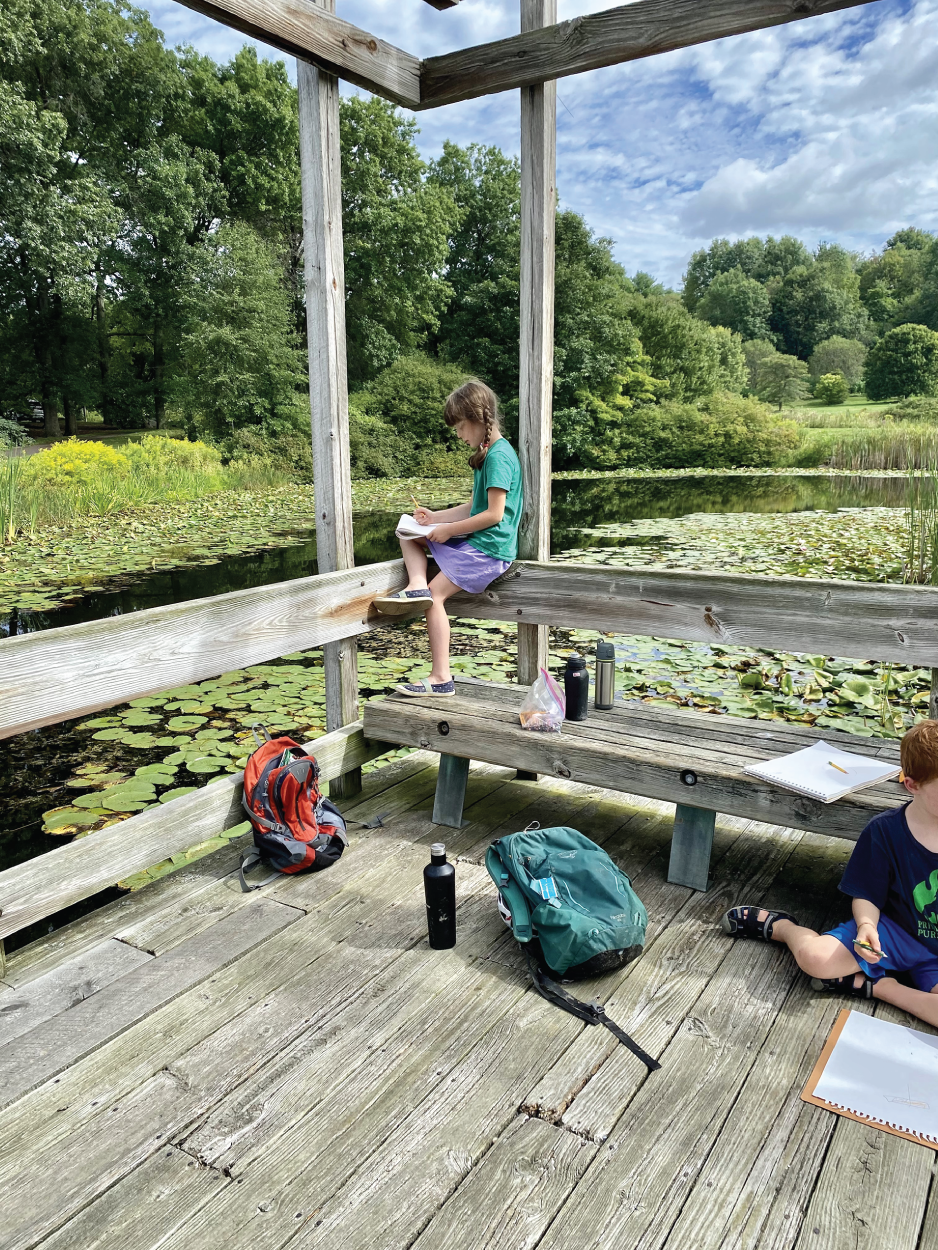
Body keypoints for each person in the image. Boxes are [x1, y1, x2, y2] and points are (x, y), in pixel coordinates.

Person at [722, 719, 938, 1029]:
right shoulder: (885, 831)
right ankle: (783, 927)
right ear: (912, 785)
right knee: (816, 960)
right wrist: (866, 927)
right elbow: (866, 892)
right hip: (895, 933)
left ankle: (881, 988)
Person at [373, 379, 522, 697]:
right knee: (408, 533)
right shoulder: (487, 454)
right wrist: (435, 518)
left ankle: (441, 677)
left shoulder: (498, 457)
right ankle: (415, 587)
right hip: (479, 543)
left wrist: (448, 531)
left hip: (489, 550)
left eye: (460, 427)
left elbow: (494, 515)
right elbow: (474, 506)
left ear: (479, 419)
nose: (458, 435)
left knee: (435, 597)